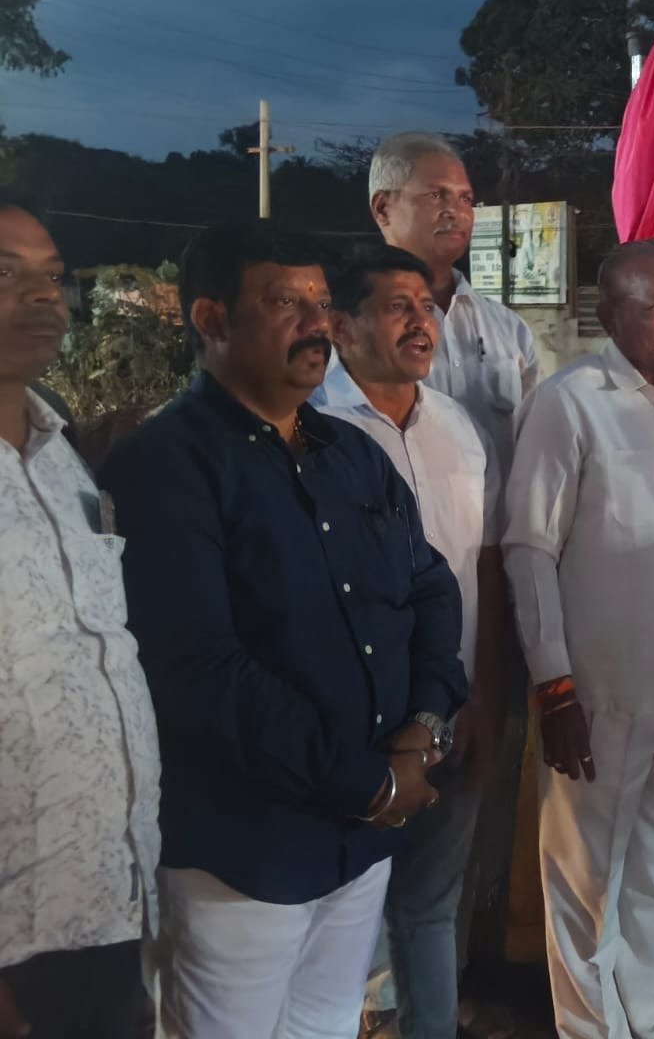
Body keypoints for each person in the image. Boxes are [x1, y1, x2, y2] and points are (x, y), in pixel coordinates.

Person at [99, 220, 467, 1037]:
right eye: (284, 301)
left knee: (328, 1027)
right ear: (211, 319)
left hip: (360, 838)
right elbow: (197, 667)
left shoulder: (351, 455)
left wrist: (422, 728)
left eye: (321, 302)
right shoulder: (167, 466)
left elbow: (432, 593)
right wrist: (370, 781)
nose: (315, 322)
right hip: (246, 847)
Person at [502, 242, 654, 1039]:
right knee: (585, 878)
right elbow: (528, 546)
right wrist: (553, 682)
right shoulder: (571, 400)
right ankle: (590, 1031)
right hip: (596, 692)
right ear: (609, 317)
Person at [314, 245, 507, 1039]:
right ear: (341, 325)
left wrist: (483, 698)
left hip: (451, 714)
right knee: (340, 919)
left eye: (425, 306)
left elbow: (483, 569)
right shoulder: (313, 431)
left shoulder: (457, 427)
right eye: (396, 305)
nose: (419, 321)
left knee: (433, 906)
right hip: (356, 730)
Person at [0, 196, 161, 1039]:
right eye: (6, 274)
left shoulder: (61, 456)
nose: (44, 298)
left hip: (107, 892)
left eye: (54, 276)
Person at [368, 131, 540, 472]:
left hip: (497, 525)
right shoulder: (346, 331)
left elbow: (538, 453)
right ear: (383, 208)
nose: (456, 212)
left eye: (465, 199)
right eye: (436, 195)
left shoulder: (509, 330)